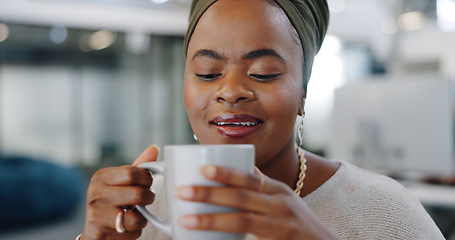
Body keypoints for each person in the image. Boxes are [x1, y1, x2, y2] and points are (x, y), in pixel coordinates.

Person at [78, 0, 445, 239]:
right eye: (207, 73)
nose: (230, 91)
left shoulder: (383, 212)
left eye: (265, 72)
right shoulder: (147, 209)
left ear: (303, 92)